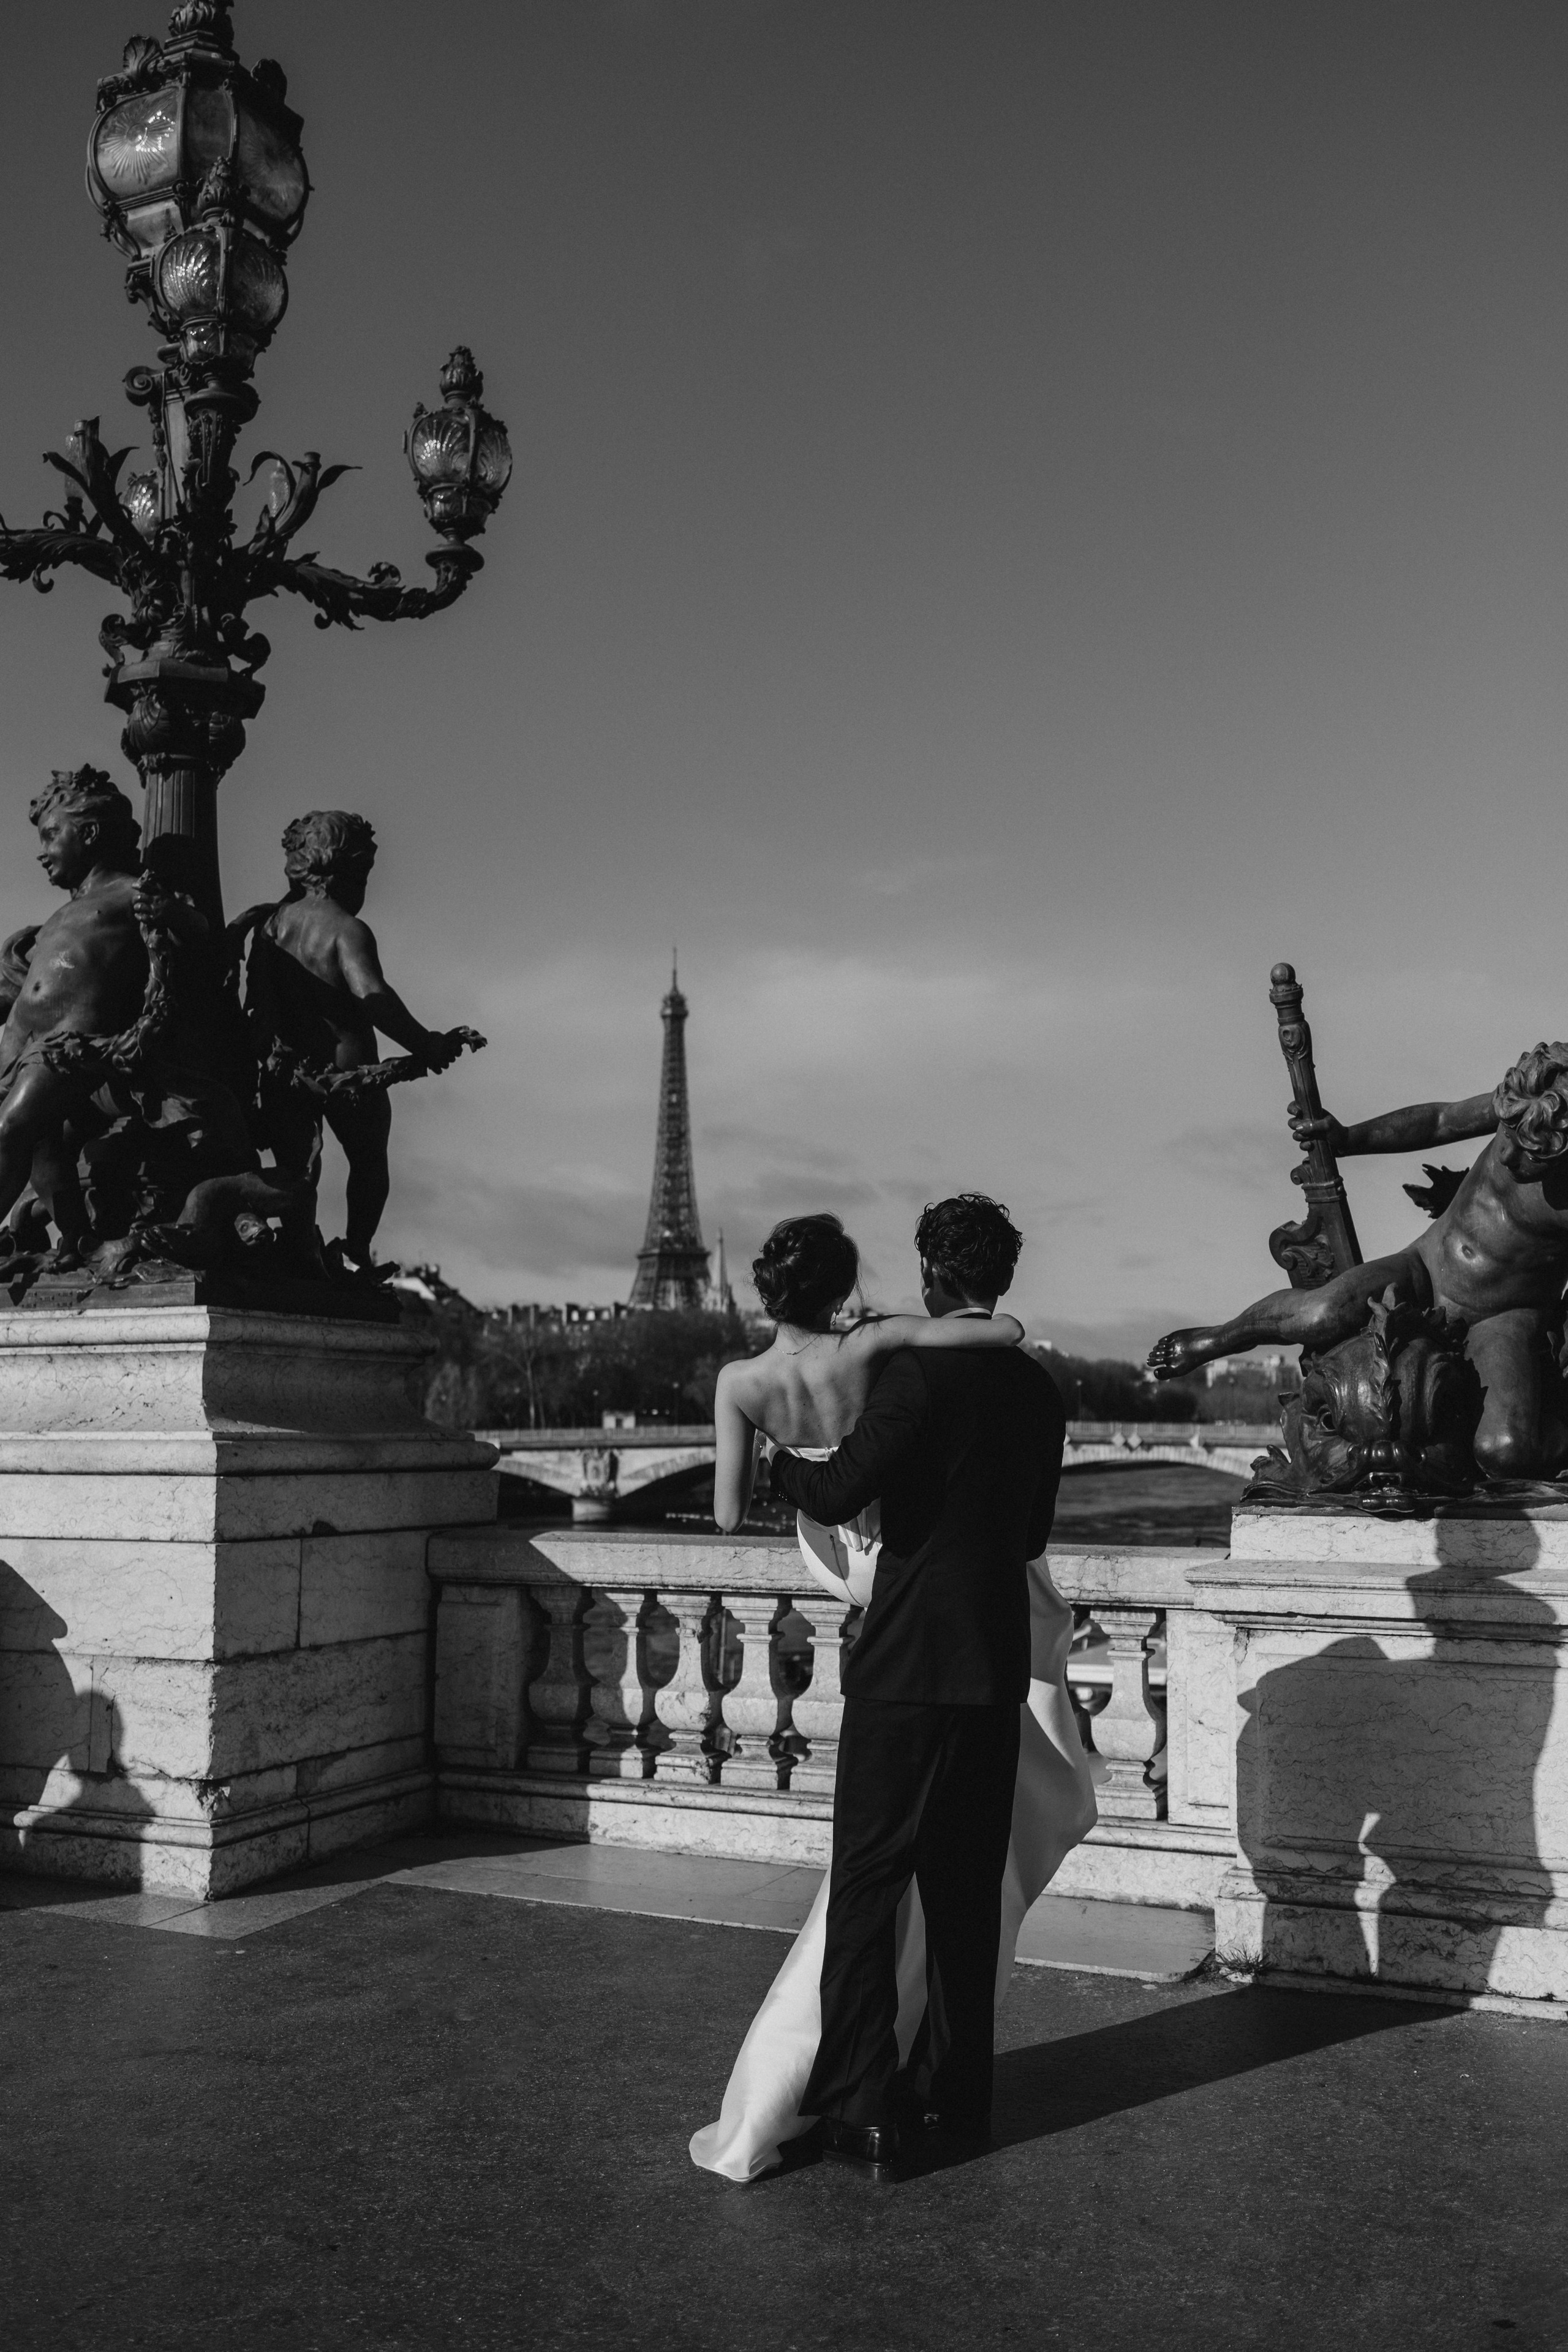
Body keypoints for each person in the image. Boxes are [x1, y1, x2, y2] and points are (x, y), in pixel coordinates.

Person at [691, 1198, 1094, 2180]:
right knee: (963, 1891)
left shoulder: (913, 1377)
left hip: (905, 1664)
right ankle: (958, 2093)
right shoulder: (1042, 1393)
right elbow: (1032, 1537)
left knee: (871, 1885)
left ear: (931, 1273)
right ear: (998, 1275)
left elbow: (833, 1497)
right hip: (991, 1664)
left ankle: (864, 2106)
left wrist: (782, 1457)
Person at [1147, 1041, 1568, 1479]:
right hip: (1426, 1267)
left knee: (1505, 1449)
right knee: (1320, 1313)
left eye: (1531, 1154)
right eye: (1508, 1134)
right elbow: (1441, 1121)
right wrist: (1349, 1139)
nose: (1506, 1155)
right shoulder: (1526, 1102)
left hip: (1502, 1318)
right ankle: (1218, 1338)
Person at [231, 812, 475, 1272]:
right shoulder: (346, 929)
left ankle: (295, 1248)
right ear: (347, 873)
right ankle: (358, 1252)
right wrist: (426, 1044)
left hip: (288, 1072)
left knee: (298, 1171)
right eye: (364, 876)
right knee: (368, 1166)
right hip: (351, 1075)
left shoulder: (272, 927)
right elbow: (373, 998)